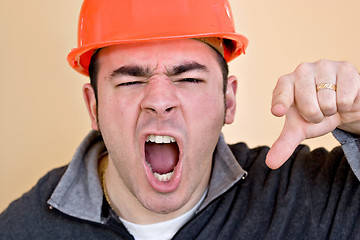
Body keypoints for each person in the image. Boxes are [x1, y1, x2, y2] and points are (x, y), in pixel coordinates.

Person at [1, 0, 360, 239]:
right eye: (130, 80)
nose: (159, 101)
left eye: (188, 78)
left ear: (228, 99)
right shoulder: (23, 228)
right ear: (93, 106)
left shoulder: (310, 195)